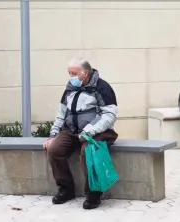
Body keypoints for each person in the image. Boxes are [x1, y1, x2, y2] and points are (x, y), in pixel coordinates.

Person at [43, 58, 118, 209]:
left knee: (88, 152)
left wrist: (89, 131)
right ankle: (66, 189)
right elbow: (61, 113)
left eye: (74, 73)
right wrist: (53, 134)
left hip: (96, 130)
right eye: (69, 73)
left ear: (85, 73)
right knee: (54, 150)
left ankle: (94, 194)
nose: (71, 76)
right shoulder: (70, 88)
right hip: (72, 130)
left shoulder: (102, 87)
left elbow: (109, 115)